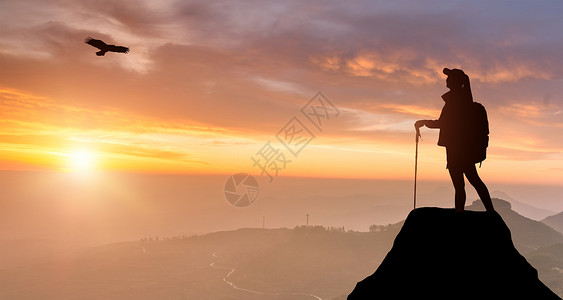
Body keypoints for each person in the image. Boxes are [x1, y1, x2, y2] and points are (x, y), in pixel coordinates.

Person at [415, 68, 495, 213]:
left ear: (454, 82)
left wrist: (423, 122)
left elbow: (442, 123)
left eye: (449, 77)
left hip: (455, 150)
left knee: (460, 185)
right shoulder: (464, 99)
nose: (446, 80)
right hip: (465, 150)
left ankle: (460, 214)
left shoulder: (454, 101)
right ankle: (490, 211)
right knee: (474, 180)